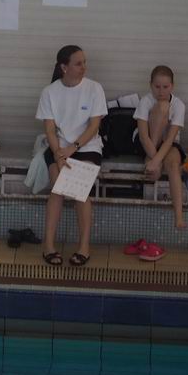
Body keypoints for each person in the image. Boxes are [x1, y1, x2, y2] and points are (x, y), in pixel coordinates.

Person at [37, 44, 107, 267]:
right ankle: (49, 245)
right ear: (64, 67)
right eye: (78, 63)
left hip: (87, 147)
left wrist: (72, 148)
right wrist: (59, 155)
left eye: (84, 62)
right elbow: (50, 130)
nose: (83, 67)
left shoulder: (94, 88)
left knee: (79, 190)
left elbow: (94, 126)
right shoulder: (49, 92)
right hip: (59, 147)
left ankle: (84, 246)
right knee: (57, 187)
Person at [136, 64, 186, 230]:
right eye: (157, 87)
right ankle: (153, 159)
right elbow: (143, 137)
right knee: (162, 106)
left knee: (173, 164)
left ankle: (178, 216)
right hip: (148, 142)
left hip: (168, 144)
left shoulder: (179, 105)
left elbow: (171, 139)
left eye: (166, 87)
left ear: (172, 86)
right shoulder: (145, 101)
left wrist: (156, 161)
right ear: (150, 85)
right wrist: (155, 161)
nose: (161, 91)